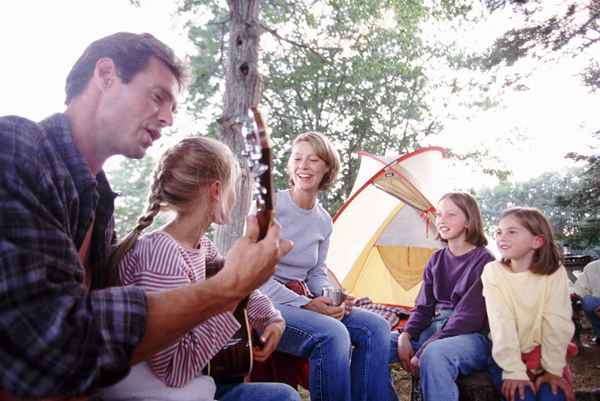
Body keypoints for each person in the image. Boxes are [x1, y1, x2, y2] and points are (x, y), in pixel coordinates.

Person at [0, 32, 290, 400]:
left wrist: (258, 299)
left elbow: (218, 266)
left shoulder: (99, 202)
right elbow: (49, 342)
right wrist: (229, 290)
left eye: (173, 108)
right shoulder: (16, 147)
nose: (168, 119)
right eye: (158, 97)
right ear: (105, 75)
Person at [98, 136, 299, 401]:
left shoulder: (201, 246)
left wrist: (272, 318)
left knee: (282, 394)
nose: (236, 197)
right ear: (216, 190)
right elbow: (171, 371)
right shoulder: (162, 255)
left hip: (192, 381)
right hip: (158, 391)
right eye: (234, 186)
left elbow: (237, 279)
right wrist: (233, 295)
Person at [259, 132, 398, 401]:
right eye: (297, 158)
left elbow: (316, 272)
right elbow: (255, 279)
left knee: (376, 327)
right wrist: (305, 304)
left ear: (327, 168)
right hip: (266, 304)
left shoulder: (323, 220)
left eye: (313, 160)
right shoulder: (270, 207)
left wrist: (332, 295)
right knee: (333, 334)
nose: (303, 166)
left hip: (302, 299)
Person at [390, 192, 495, 401]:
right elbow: (423, 307)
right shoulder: (436, 259)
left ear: (468, 220)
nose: (442, 220)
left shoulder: (485, 261)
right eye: (439, 215)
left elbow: (468, 318)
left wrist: (425, 348)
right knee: (374, 341)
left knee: (434, 355)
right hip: (433, 330)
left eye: (451, 215)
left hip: (471, 337)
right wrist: (406, 335)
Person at [482, 207, 575, 401]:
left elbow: (557, 322)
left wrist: (553, 369)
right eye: (499, 232)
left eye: (512, 232)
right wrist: (513, 371)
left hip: (545, 356)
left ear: (537, 241)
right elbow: (501, 323)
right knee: (521, 396)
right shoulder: (493, 272)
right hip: (507, 357)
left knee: (553, 396)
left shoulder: (554, 273)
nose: (501, 237)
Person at [572, 259, 600, 345]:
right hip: (596, 301)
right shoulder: (591, 267)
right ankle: (599, 333)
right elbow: (579, 289)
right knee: (588, 302)